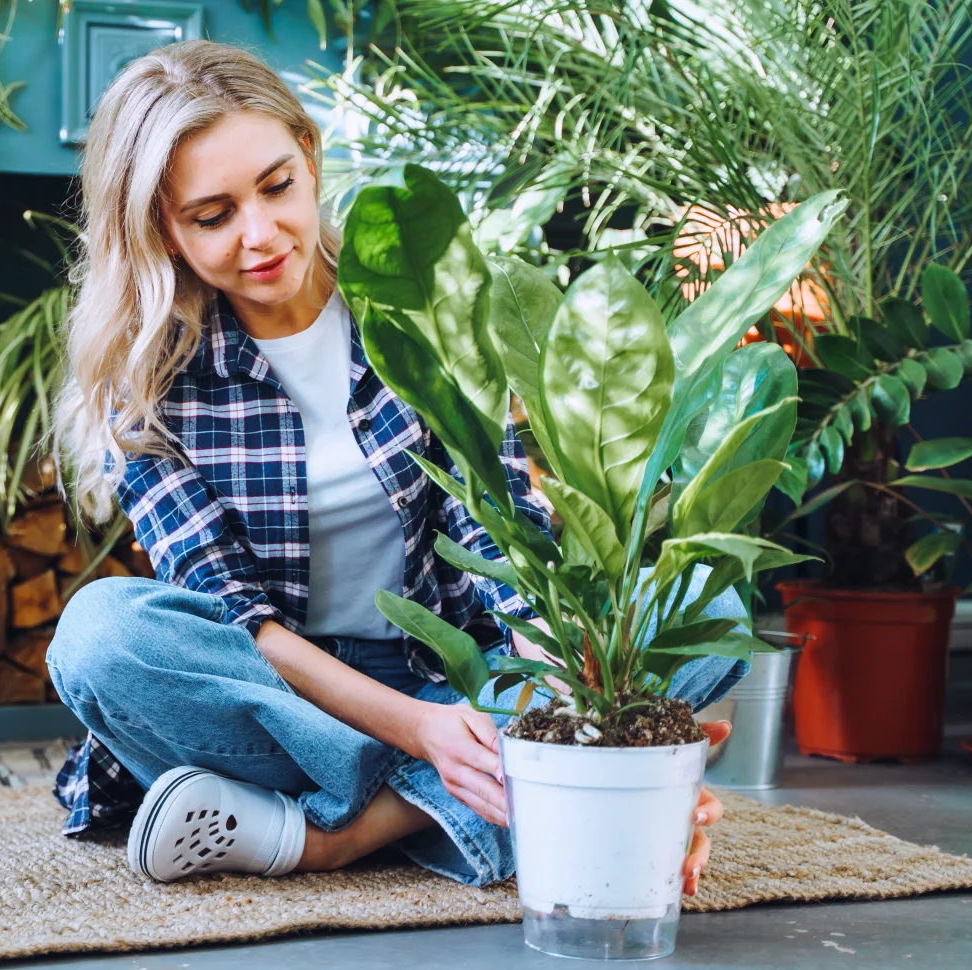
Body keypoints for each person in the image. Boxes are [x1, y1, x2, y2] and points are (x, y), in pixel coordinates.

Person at [46, 39, 746, 889]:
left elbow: (499, 527)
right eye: (213, 215)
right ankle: (535, 794)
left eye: (276, 187)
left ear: (308, 154)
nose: (260, 235)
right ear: (163, 227)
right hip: (287, 699)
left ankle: (332, 836)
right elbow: (240, 621)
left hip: (463, 671)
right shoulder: (145, 382)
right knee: (98, 636)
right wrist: (434, 734)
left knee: (708, 599)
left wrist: (566, 685)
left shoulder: (417, 305)